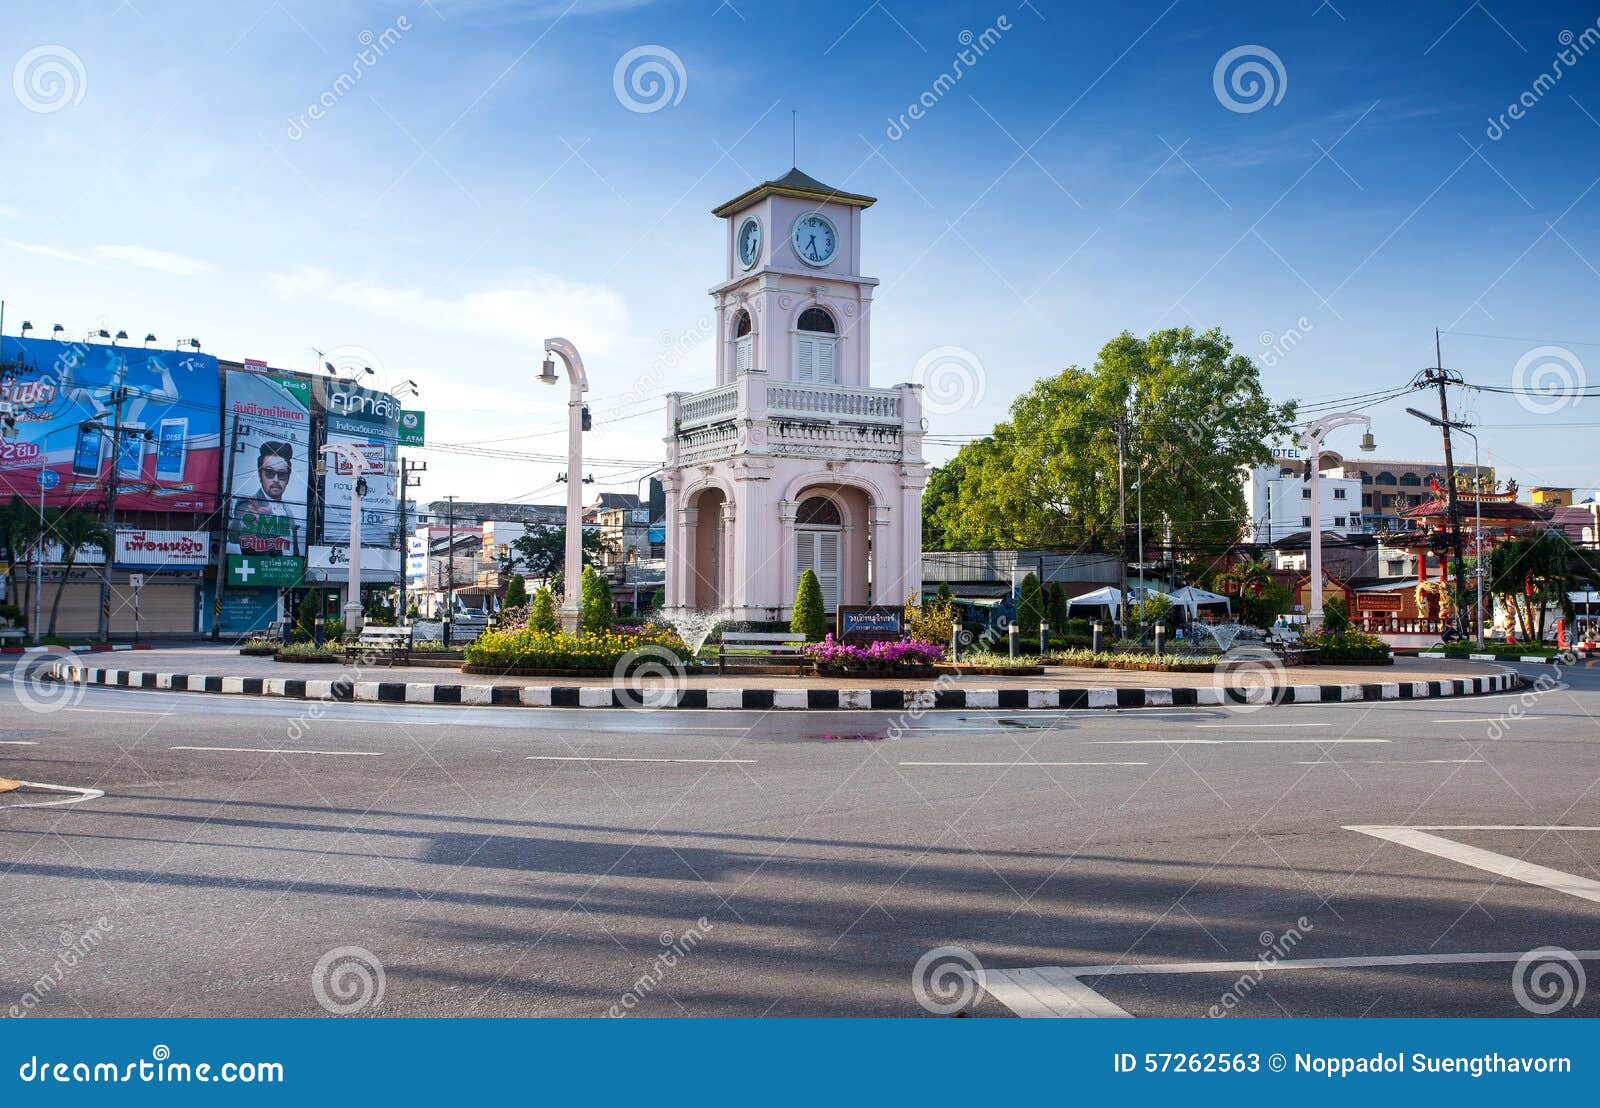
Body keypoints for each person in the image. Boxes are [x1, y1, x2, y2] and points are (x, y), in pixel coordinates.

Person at [231, 441, 301, 556]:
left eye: (282, 474)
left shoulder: (288, 510)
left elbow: (294, 548)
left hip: (289, 569)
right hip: (257, 568)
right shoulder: (248, 504)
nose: (276, 480)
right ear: (260, 475)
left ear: (288, 477)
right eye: (269, 473)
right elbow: (233, 535)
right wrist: (248, 521)